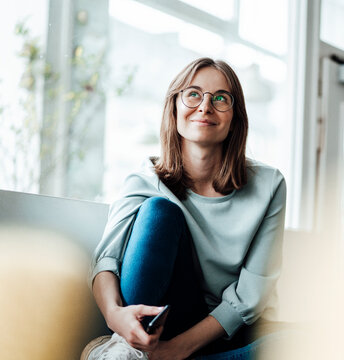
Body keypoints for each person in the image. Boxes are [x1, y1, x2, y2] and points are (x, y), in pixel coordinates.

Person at [81, 57, 287, 360]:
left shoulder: (270, 185)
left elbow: (251, 295)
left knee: (304, 340)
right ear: (174, 107)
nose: (205, 106)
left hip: (230, 329)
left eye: (220, 99)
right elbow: (106, 260)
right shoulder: (144, 180)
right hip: (164, 322)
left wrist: (177, 350)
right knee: (159, 213)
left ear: (235, 119)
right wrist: (115, 317)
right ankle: (129, 349)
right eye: (193, 94)